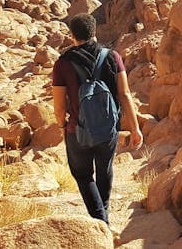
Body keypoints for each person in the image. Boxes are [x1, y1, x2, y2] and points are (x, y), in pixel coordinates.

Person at [51, 13, 143, 225]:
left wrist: (62, 124)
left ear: (72, 35)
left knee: (83, 176)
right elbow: (125, 94)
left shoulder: (63, 63)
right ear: (94, 32)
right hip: (108, 129)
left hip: (77, 130)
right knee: (105, 170)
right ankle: (105, 216)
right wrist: (135, 128)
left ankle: (100, 221)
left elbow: (59, 105)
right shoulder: (112, 56)